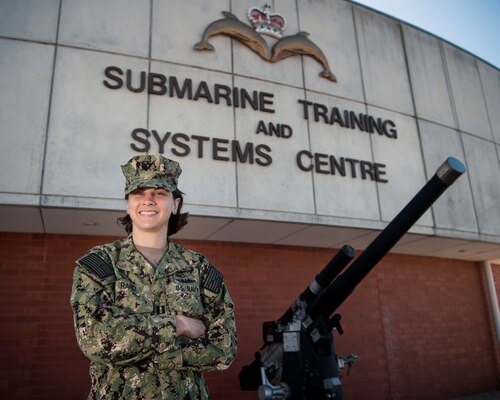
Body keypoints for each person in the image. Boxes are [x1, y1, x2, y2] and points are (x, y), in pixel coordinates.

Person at [70, 154, 237, 399]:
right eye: (138, 193)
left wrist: (139, 346)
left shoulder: (199, 268)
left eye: (159, 193)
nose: (148, 200)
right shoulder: (102, 264)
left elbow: (224, 349)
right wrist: (178, 325)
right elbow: (95, 339)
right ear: (128, 204)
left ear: (175, 204)